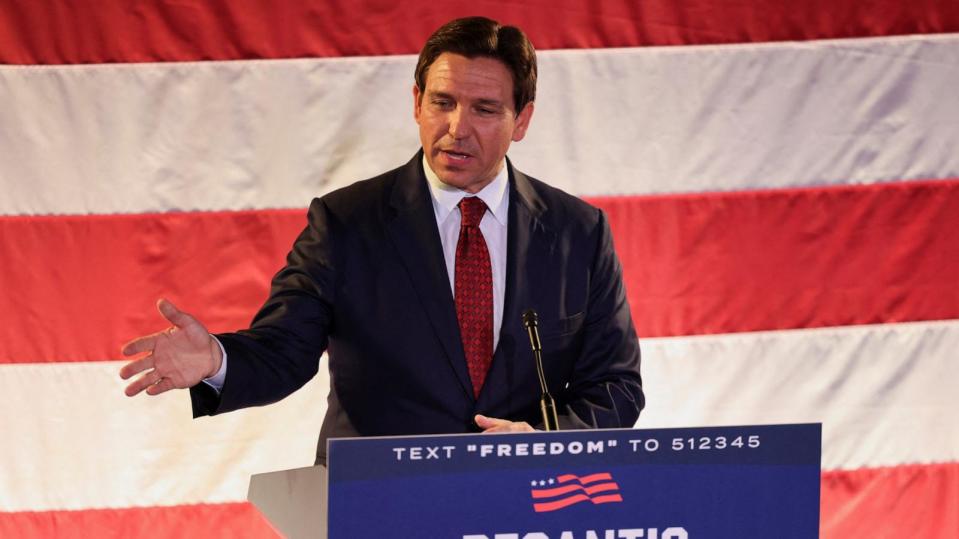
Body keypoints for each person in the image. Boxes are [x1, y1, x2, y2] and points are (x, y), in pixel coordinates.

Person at [119, 16, 644, 464]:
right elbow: (285, 349)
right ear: (416, 103)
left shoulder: (579, 232)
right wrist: (217, 360)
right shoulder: (346, 222)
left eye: (484, 109)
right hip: (375, 500)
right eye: (442, 102)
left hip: (518, 505)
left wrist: (545, 444)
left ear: (521, 119)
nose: (457, 127)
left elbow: (615, 385)